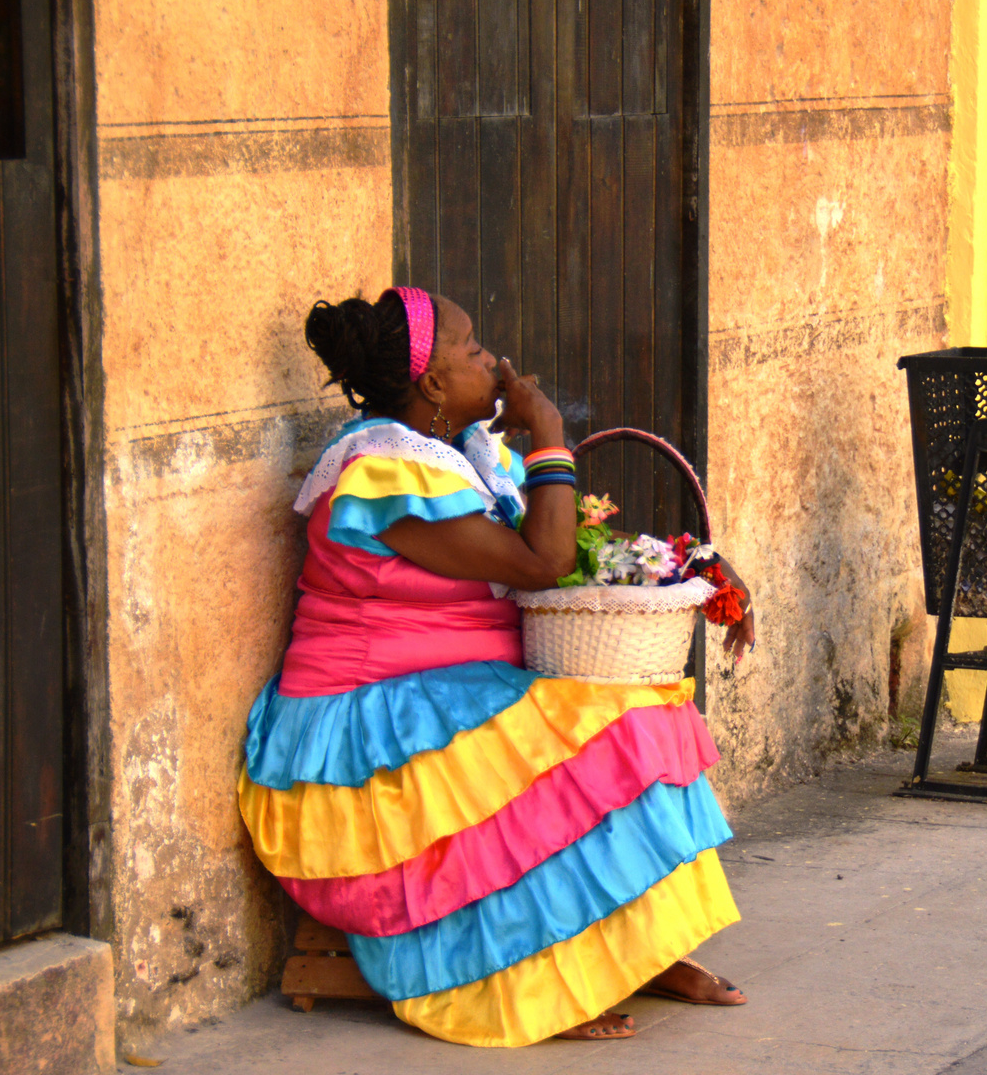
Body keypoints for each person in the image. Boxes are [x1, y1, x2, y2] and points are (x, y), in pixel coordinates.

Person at [237, 286, 755, 1045]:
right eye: (474, 350)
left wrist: (698, 568)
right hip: (366, 719)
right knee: (601, 737)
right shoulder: (385, 474)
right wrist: (549, 434)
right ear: (434, 385)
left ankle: (638, 949)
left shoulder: (467, 457)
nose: (496, 360)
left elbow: (573, 545)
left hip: (449, 690)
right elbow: (543, 561)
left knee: (648, 708)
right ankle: (545, 970)